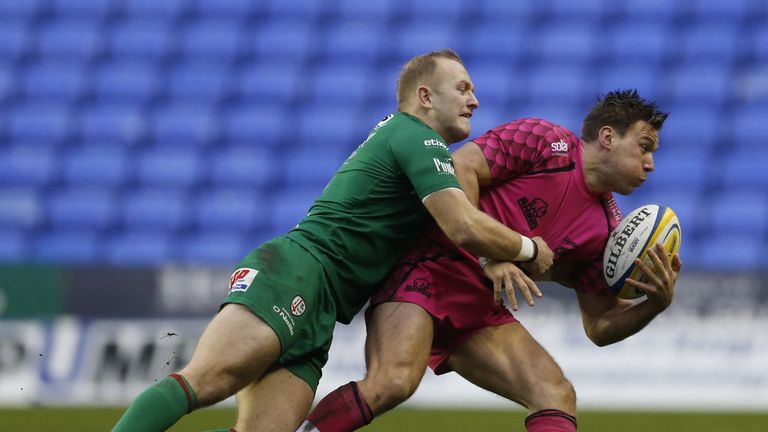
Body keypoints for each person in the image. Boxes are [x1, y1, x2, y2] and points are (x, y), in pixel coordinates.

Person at [111, 49, 556, 432]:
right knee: (206, 381)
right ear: (425, 96)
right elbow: (462, 224)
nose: (474, 100)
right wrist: (527, 248)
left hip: (326, 307)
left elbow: (457, 229)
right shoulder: (416, 136)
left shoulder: (408, 141)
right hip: (297, 271)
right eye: (461, 88)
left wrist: (489, 259)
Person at [282, 90, 683, 432]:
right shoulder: (546, 142)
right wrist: (492, 252)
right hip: (427, 264)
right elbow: (461, 168)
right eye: (644, 146)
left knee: (555, 393)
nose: (650, 163)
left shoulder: (606, 230)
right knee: (394, 382)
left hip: (479, 307)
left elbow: (599, 325)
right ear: (608, 137)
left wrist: (655, 304)